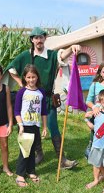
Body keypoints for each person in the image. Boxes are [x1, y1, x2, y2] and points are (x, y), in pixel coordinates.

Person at [5, 27, 80, 169]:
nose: (39, 40)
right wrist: (22, 84)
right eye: (36, 37)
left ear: (45, 38)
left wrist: (72, 47)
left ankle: (61, 159)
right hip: (29, 98)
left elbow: (62, 55)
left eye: (41, 37)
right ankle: (38, 153)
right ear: (32, 40)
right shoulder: (25, 56)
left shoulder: (51, 55)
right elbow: (11, 69)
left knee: (52, 125)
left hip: (46, 97)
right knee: (32, 126)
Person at [14, 64, 47, 187]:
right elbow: (16, 110)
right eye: (28, 77)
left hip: (35, 125)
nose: (31, 80)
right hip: (25, 125)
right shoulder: (22, 92)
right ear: (24, 78)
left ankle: (31, 171)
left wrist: (44, 126)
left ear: (37, 77)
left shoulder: (41, 92)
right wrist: (20, 125)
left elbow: (44, 111)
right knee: (25, 150)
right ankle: (20, 175)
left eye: (33, 77)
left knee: (32, 149)